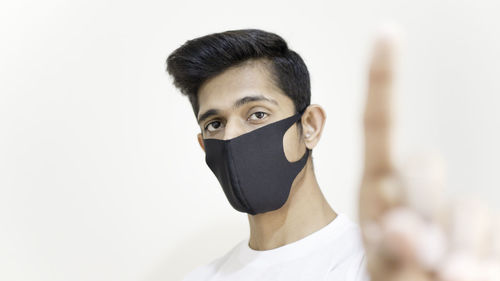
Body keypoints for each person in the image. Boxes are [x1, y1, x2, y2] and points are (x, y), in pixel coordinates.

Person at [166, 28, 500, 281]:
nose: (231, 135)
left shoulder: (376, 261)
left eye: (257, 114)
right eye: (214, 124)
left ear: (309, 126)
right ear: (202, 145)